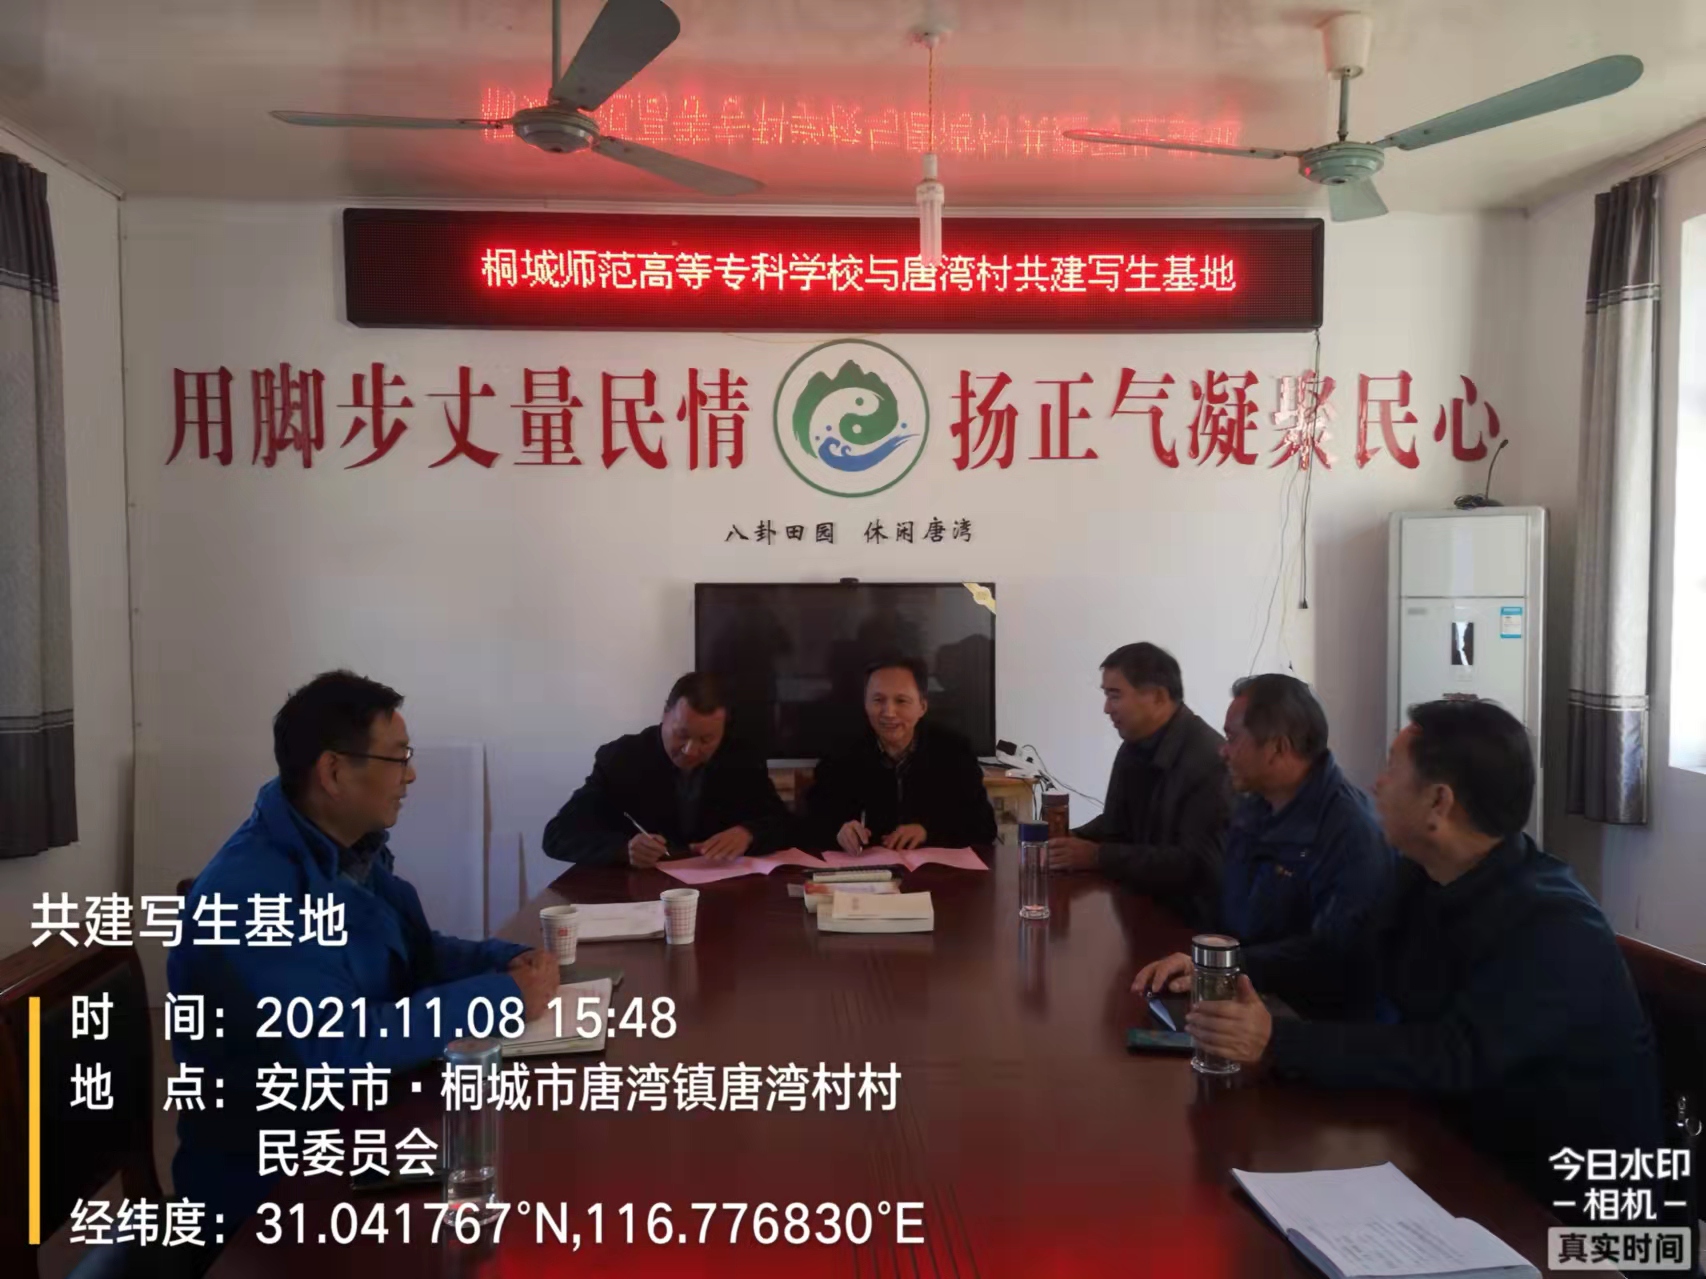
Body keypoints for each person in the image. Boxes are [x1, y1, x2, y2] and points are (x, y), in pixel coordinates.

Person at [1184, 699, 1663, 1205]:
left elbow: (1450, 1055)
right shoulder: (1420, 875)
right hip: (1453, 1150)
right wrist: (1232, 967)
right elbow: (1341, 953)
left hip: (1567, 1205)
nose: (1377, 784)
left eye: (1392, 769)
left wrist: (1276, 1039)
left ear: (1438, 802)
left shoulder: (1555, 926)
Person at [168, 671, 559, 1240]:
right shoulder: (248, 893)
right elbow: (340, 1046)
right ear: (333, 772)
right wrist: (501, 998)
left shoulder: (342, 851)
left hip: (359, 1125)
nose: (411, 775)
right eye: (398, 757)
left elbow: (414, 953)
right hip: (275, 1185)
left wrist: (506, 961)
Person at [1133, 674, 1395, 1017]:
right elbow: (1231, 918)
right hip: (1248, 988)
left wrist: (1224, 966)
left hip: (1310, 1020)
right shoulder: (1253, 803)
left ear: (1277, 748)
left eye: (1232, 738)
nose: (1222, 751)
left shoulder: (1352, 830)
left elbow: (1332, 956)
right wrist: (1201, 960)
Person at [1047, 642, 1230, 926]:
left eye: (1115, 695)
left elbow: (1196, 864)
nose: (1106, 708)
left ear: (1158, 697)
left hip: (1188, 928)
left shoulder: (1210, 760)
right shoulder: (1134, 746)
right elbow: (1117, 823)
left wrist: (1098, 857)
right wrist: (1071, 839)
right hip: (1138, 911)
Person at [542, 671, 789, 868]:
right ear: (665, 714)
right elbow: (558, 835)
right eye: (682, 735)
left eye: (706, 740)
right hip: (640, 896)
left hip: (721, 893)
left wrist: (749, 833)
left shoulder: (742, 758)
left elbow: (784, 824)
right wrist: (624, 849)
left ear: (723, 729)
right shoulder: (622, 759)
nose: (690, 750)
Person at [802, 657, 997, 853]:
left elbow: (983, 827)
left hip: (932, 868)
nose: (889, 712)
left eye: (901, 701)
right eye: (878, 700)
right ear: (865, 704)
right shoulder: (841, 752)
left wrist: (927, 832)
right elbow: (810, 822)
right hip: (867, 868)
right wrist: (838, 831)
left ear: (922, 706)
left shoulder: (953, 751)